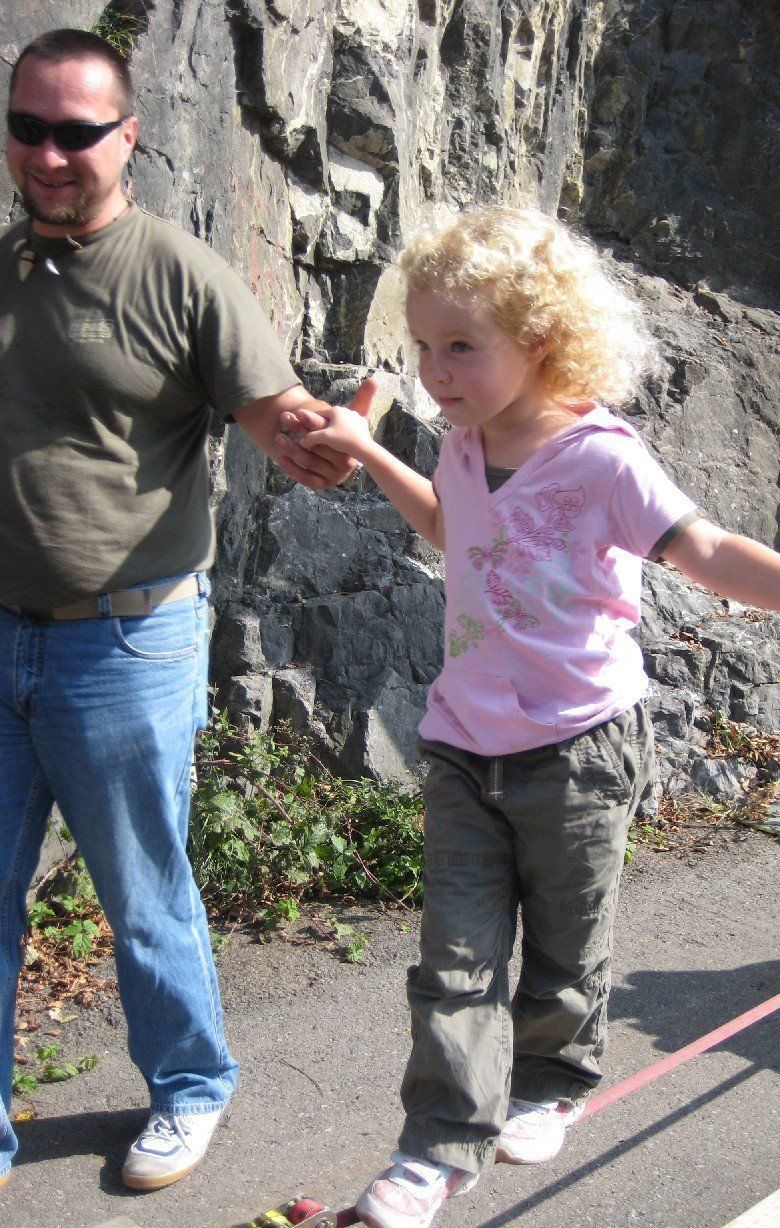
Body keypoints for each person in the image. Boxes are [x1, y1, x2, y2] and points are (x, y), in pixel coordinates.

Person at [288, 205, 780, 1228]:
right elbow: (454, 530)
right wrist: (367, 448)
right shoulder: (462, 442)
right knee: (452, 961)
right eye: (424, 346)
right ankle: (434, 1148)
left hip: (578, 748)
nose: (435, 371)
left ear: (540, 339)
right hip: (462, 745)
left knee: (564, 945)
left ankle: (551, 1083)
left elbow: (708, 553)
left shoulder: (602, 459)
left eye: (461, 347)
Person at [0, 29, 367, 1194]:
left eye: (75, 132)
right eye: (27, 127)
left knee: (143, 892)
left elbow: (275, 416)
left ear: (129, 136)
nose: (48, 154)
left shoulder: (179, 274)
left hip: (125, 638)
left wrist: (319, 442)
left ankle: (191, 1087)